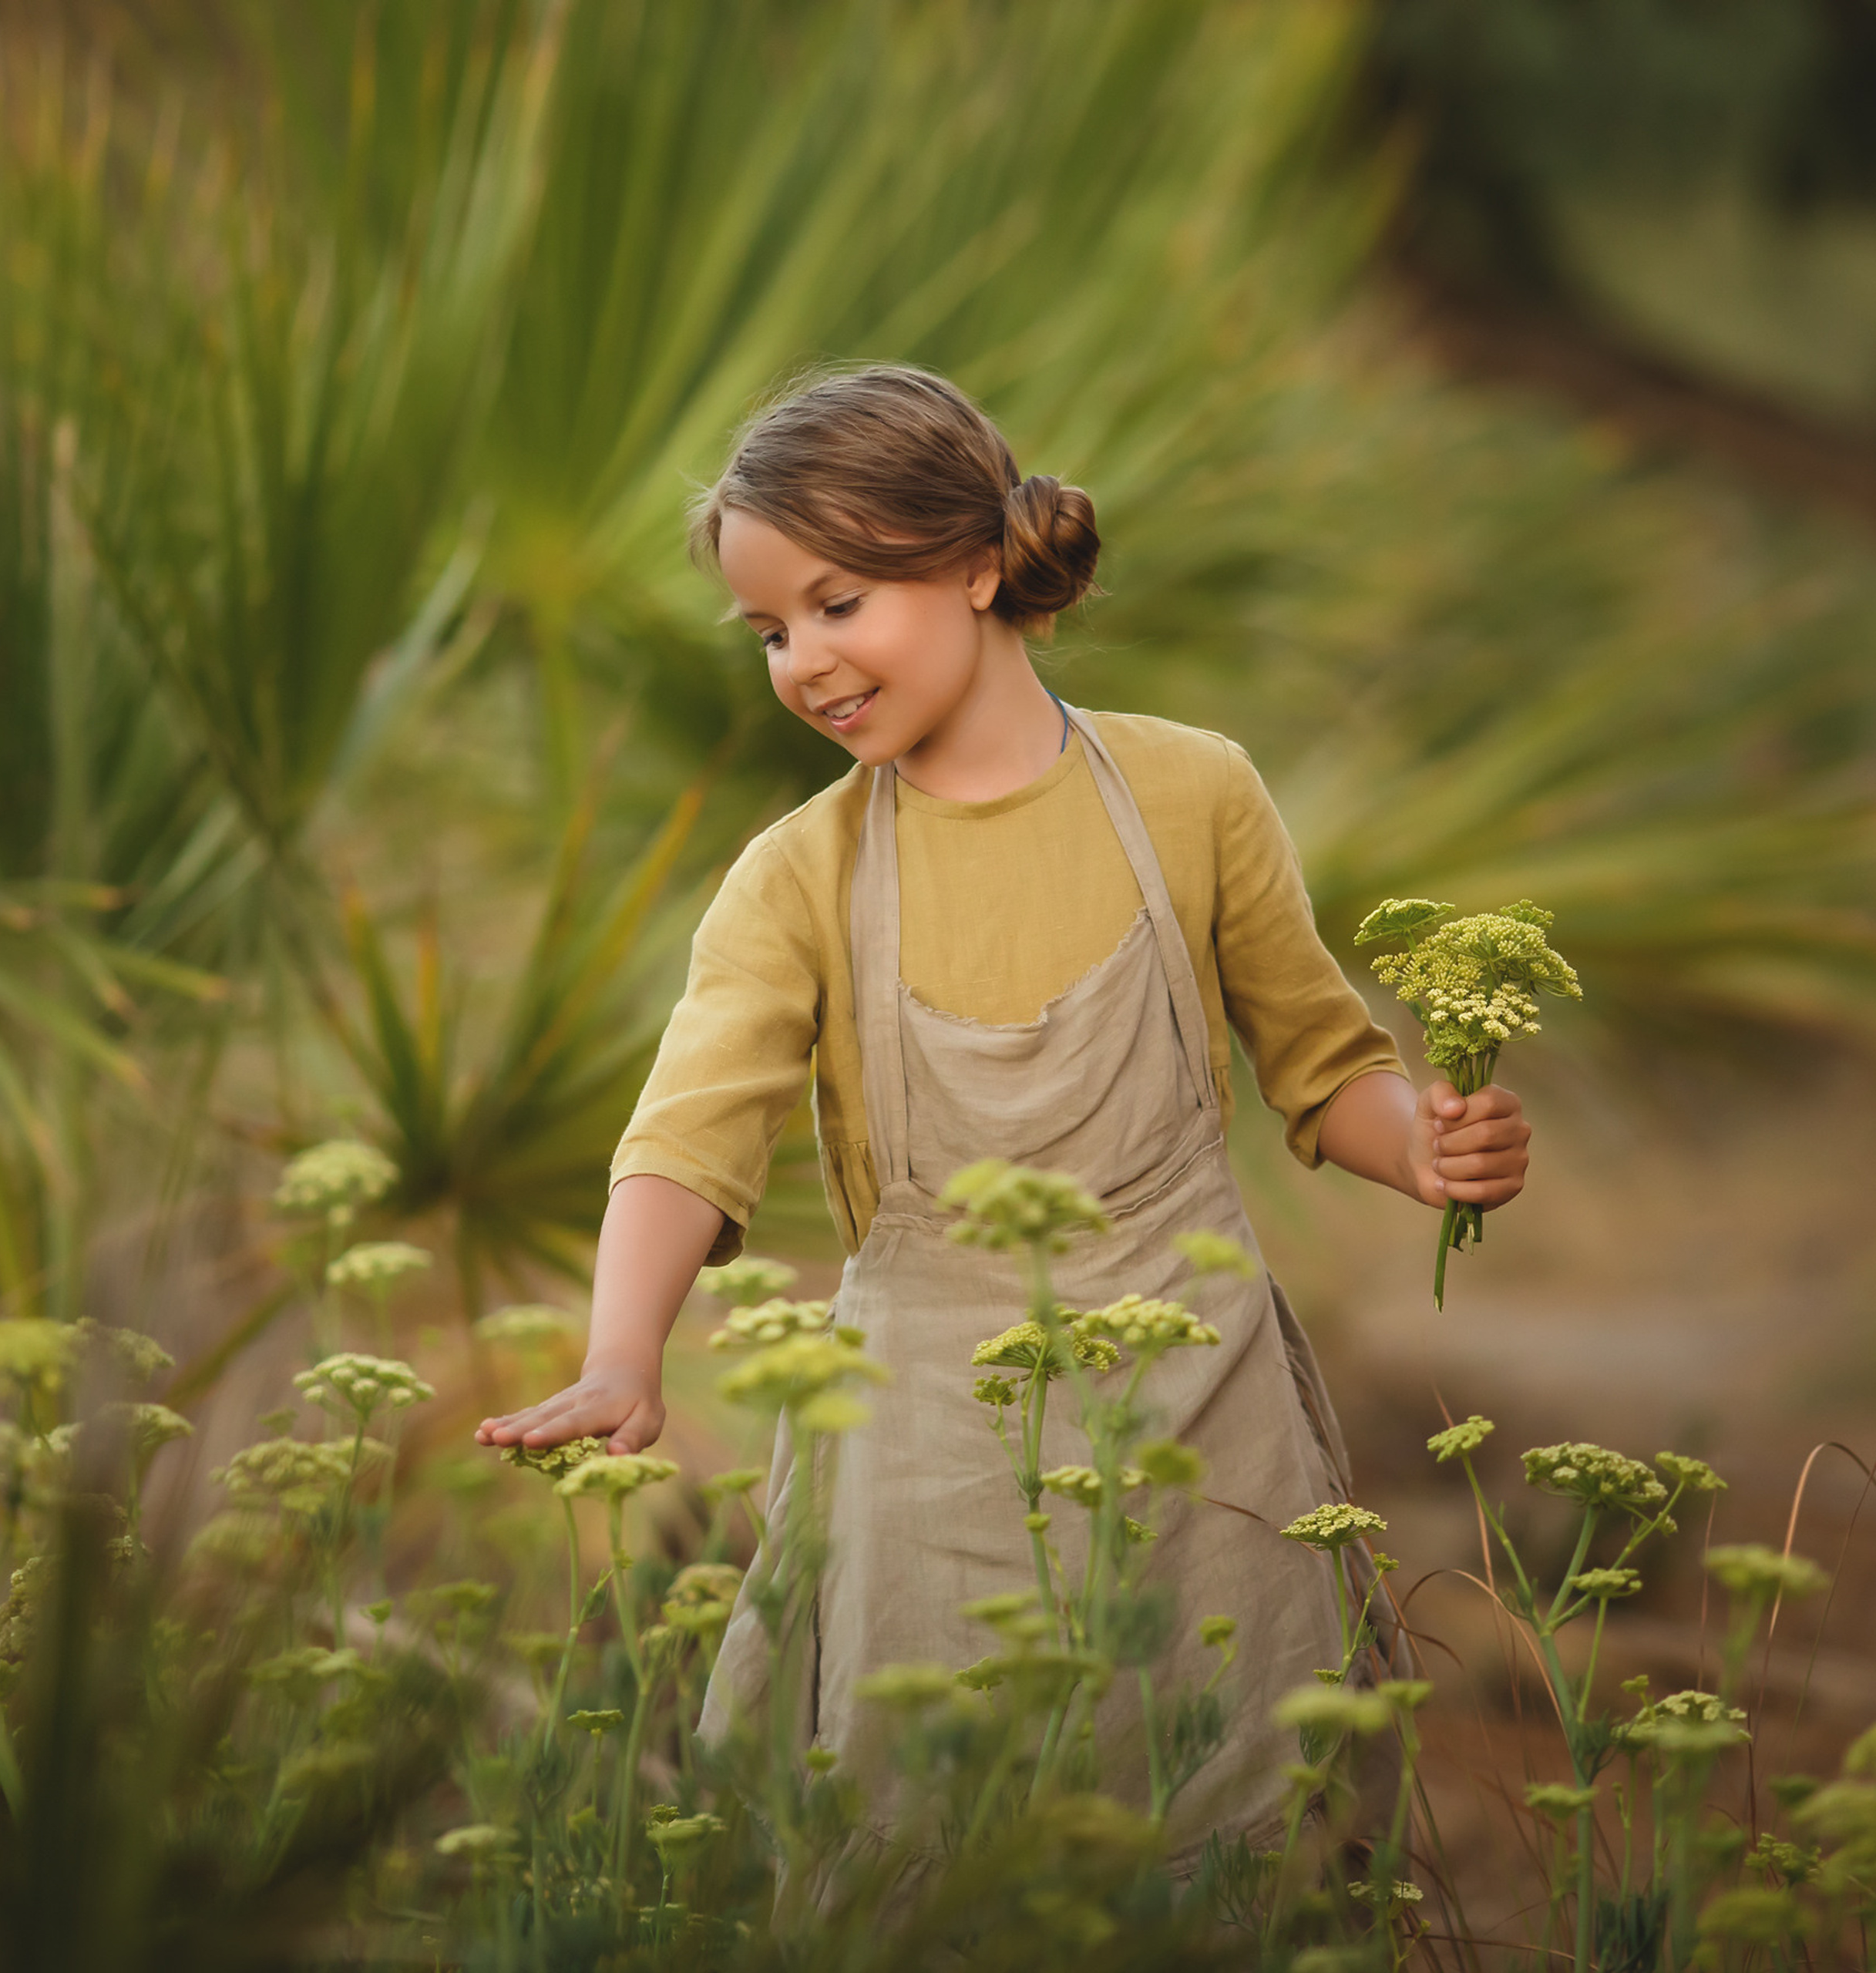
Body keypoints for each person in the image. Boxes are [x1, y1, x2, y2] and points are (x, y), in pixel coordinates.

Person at [475, 365, 1532, 1857]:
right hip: (918, 1433)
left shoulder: (1191, 792)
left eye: (839, 602)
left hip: (1201, 1411)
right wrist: (619, 1349)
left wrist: (1422, 1149)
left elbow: (1318, 1062)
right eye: (771, 629)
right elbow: (687, 1136)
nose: (804, 660)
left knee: (1234, 1826)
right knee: (932, 1839)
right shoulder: (798, 873)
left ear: (977, 563)